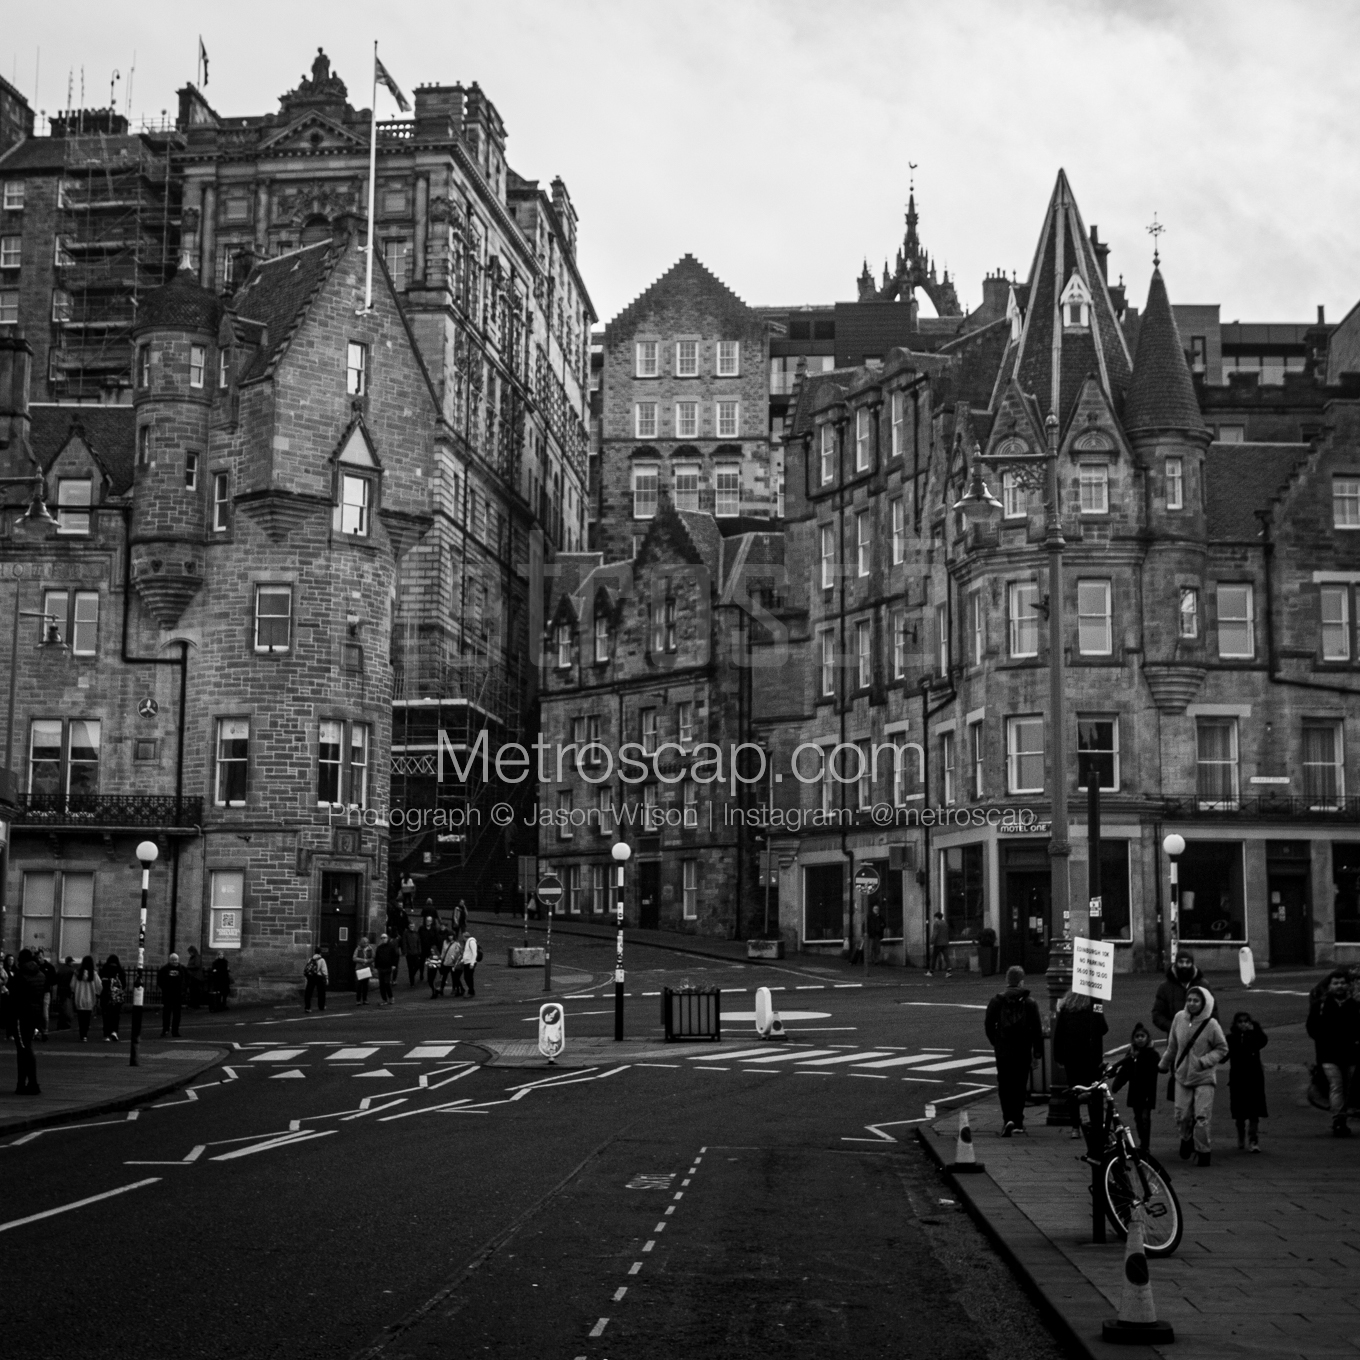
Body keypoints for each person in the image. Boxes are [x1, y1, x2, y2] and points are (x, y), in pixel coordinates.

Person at [1160, 983, 1228, 1167]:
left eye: (1196, 1000)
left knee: (1201, 1116)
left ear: (1204, 1002)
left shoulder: (1211, 1025)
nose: (1191, 1003)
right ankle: (1185, 1138)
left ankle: (1203, 1151)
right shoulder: (1179, 1018)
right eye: (1189, 1000)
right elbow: (1173, 1045)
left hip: (1204, 1077)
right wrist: (1164, 1063)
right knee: (1181, 1115)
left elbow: (1222, 1048)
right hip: (1182, 1075)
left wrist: (1204, 1061)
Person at [984, 964, 1045, 1136]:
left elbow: (989, 1025)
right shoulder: (1029, 1003)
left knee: (1004, 1086)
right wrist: (1037, 1052)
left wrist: (995, 1042)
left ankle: (1007, 1119)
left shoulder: (997, 1001)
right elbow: (1037, 1030)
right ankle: (1018, 1121)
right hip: (1022, 1051)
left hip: (1003, 1050)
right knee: (1019, 1086)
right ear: (1021, 982)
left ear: (1007, 981)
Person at [1052, 990, 1109, 1147]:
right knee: (1093, 1090)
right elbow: (1103, 1028)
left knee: (1074, 1090)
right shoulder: (1095, 1004)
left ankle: (1075, 1127)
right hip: (1091, 1056)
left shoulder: (1067, 1006)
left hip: (1072, 1056)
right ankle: (1095, 1124)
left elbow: (1059, 1033)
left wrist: (1058, 1056)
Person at [1306, 971, 1358, 1138]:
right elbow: (1311, 1027)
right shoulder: (1320, 1006)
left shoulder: (1355, 1006)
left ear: (1348, 985)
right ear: (1329, 986)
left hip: (1351, 1053)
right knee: (1336, 1085)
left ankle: (1341, 1116)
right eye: (1336, 983)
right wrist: (1323, 1041)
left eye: (1342, 983)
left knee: (1347, 1087)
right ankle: (1339, 1120)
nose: (1339, 986)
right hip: (1328, 1054)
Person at [1109, 1022, 1160, 1151]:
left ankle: (1145, 1145)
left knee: (1145, 1119)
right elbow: (1124, 1071)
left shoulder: (1152, 1055)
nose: (1140, 1039)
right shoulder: (1131, 1055)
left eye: (1142, 1036)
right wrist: (1116, 1085)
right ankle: (1143, 1141)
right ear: (1133, 1039)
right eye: (1137, 1036)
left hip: (1147, 1093)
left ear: (1147, 1038)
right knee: (1138, 1119)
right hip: (1135, 1093)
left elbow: (1157, 1070)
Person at [1227, 1011, 1268, 1152]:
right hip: (1238, 1078)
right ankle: (1241, 1135)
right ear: (1235, 1024)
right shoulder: (1231, 1038)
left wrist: (1254, 1030)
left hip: (1254, 1077)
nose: (1243, 1024)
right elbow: (1223, 1054)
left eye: (1246, 1021)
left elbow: (1263, 1041)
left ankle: (1253, 1138)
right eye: (1240, 1021)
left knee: (1254, 1112)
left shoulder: (1254, 1036)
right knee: (1239, 1113)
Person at [11, 949, 46, 1095]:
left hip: (21, 1014)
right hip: (35, 1013)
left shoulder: (20, 976)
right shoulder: (41, 975)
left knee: (23, 1048)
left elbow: (15, 997)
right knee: (27, 1046)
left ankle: (29, 1083)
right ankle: (25, 1083)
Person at [1152, 950, 1204, 1036]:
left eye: (1188, 962)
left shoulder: (1203, 985)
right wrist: (1174, 1027)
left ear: (1192, 964)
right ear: (1176, 963)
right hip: (1175, 1040)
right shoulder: (1165, 987)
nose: (1184, 965)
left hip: (1200, 1038)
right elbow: (1157, 1015)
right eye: (1181, 962)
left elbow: (1212, 1012)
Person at [71, 956, 101, 1042]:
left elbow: (72, 986)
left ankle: (82, 1034)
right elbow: (99, 986)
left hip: (79, 998)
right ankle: (85, 1035)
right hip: (89, 999)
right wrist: (97, 994)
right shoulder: (94, 974)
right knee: (87, 1018)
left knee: (80, 1018)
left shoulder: (77, 974)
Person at [158, 952, 187, 1038]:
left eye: (176, 960)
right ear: (169, 960)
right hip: (168, 994)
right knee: (166, 1013)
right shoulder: (164, 969)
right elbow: (160, 980)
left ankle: (175, 1031)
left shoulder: (182, 969)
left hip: (178, 994)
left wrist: (183, 990)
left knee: (177, 1014)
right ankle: (165, 1029)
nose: (175, 962)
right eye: (173, 960)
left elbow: (186, 980)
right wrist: (165, 988)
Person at [99, 954, 126, 1041]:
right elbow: (124, 985)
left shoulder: (104, 970)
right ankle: (114, 1031)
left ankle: (106, 1034)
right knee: (116, 1014)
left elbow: (100, 983)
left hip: (106, 995)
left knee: (106, 1015)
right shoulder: (120, 971)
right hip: (116, 996)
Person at [34, 947, 55, 1039]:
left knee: (44, 1013)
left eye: (40, 957)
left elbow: (54, 980)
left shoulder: (49, 967)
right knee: (36, 1013)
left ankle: (45, 1031)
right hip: (36, 992)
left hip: (45, 992)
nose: (39, 959)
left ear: (43, 957)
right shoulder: (34, 967)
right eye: (37, 958)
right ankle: (37, 1031)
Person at [374, 933, 400, 1006]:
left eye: (385, 938)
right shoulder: (379, 948)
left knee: (387, 983)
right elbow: (377, 958)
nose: (383, 939)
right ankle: (384, 999)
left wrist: (394, 965)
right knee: (381, 984)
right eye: (382, 938)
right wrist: (376, 967)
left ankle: (391, 997)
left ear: (387, 938)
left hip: (388, 967)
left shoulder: (391, 947)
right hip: (380, 967)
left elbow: (395, 956)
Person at [435, 933, 463, 998]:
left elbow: (459, 953)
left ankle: (454, 989)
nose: (450, 937)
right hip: (446, 962)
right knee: (444, 976)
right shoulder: (445, 942)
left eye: (451, 936)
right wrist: (441, 959)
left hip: (453, 963)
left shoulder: (457, 943)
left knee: (454, 977)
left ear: (454, 936)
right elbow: (443, 951)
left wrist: (456, 960)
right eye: (449, 936)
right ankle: (441, 989)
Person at [353, 933, 376, 1005]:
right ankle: (358, 1000)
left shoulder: (370, 949)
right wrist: (362, 960)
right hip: (360, 969)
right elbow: (354, 958)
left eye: (367, 943)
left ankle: (365, 999)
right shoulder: (358, 949)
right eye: (364, 943)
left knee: (366, 985)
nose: (366, 944)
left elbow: (373, 958)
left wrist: (368, 961)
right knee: (359, 985)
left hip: (367, 969)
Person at [303, 948, 329, 1012]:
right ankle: (321, 1006)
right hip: (319, 977)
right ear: (320, 953)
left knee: (308, 992)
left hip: (311, 977)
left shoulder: (310, 959)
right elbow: (324, 970)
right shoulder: (322, 960)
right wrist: (326, 978)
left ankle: (307, 1007)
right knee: (321, 992)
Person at [54, 955, 76, 1030]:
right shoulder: (71, 970)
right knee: (67, 1008)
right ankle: (66, 1023)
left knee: (62, 1008)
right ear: (70, 962)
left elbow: (56, 979)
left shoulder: (60, 969)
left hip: (60, 990)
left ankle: (60, 1023)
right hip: (67, 990)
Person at [926, 912, 950, 977]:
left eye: (935, 917)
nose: (934, 919)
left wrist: (931, 942)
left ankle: (931, 971)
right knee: (946, 957)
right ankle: (949, 971)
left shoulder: (936, 923)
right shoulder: (945, 923)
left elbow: (935, 934)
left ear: (936, 917)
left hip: (938, 943)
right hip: (945, 943)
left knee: (934, 957)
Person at [402, 922, 423, 987]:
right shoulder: (406, 933)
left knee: (417, 965)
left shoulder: (416, 933)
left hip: (416, 952)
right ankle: (412, 982)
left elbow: (419, 942)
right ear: (409, 926)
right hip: (409, 953)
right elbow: (404, 943)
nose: (412, 927)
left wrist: (419, 951)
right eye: (411, 926)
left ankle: (412, 975)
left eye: (413, 926)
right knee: (410, 967)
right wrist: (405, 952)